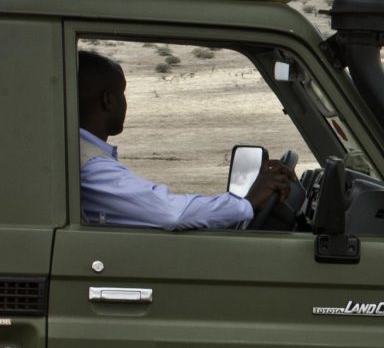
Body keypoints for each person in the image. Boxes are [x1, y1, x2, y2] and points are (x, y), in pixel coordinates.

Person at [77, 50, 292, 230]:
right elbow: (171, 213)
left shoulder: (80, 153)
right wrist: (248, 203)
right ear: (108, 100)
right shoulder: (91, 166)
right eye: (122, 93)